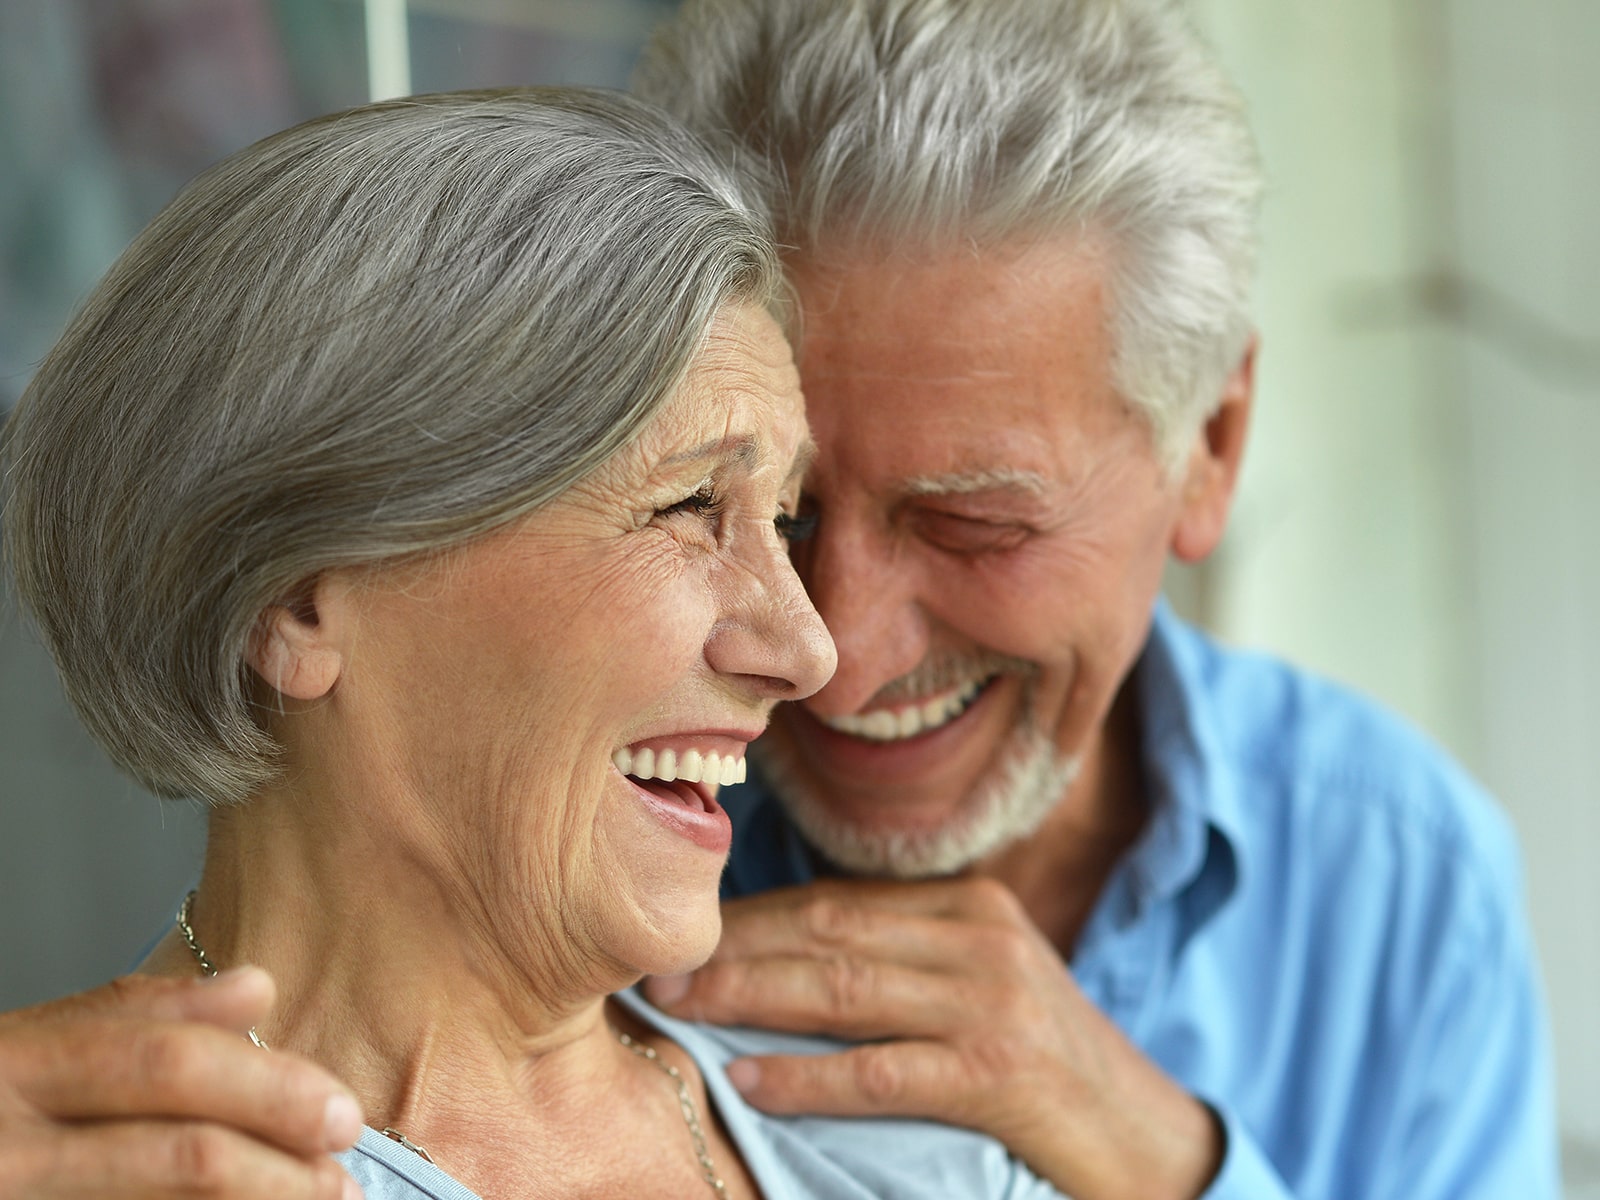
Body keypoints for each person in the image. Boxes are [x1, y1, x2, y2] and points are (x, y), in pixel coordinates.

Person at [0, 87, 1073, 1199]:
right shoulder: (72, 1168)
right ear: (298, 601)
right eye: (690, 505)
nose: (808, 650)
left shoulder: (915, 1148)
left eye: (781, 521)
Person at [627, 2, 1564, 1198]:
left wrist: (1159, 1155)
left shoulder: (1396, 876)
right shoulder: (556, 822)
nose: (838, 656)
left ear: (1211, 446)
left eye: (976, 525)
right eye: (767, 514)